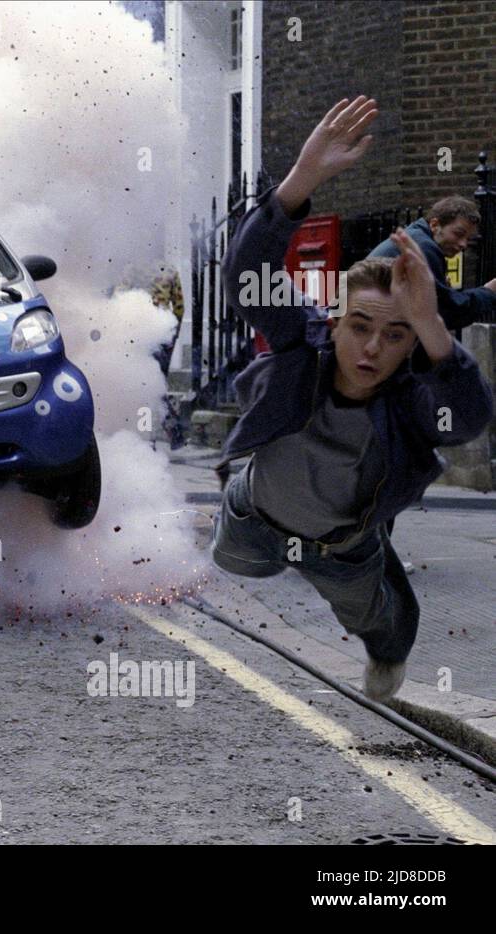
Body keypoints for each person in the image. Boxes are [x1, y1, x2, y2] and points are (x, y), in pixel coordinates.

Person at [210, 96, 494, 701]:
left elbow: (469, 419)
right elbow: (245, 271)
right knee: (235, 564)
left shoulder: (411, 398)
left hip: (340, 550)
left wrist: (433, 328)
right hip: (251, 520)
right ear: (333, 321)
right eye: (360, 326)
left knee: (386, 630)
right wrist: (300, 181)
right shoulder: (299, 346)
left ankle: (384, 633)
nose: (371, 349)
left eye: (395, 336)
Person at [367, 195, 496, 329]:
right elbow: (446, 312)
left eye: (468, 239)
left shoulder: (417, 236)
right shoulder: (425, 247)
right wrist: (489, 292)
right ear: (434, 225)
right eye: (458, 234)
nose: (463, 244)